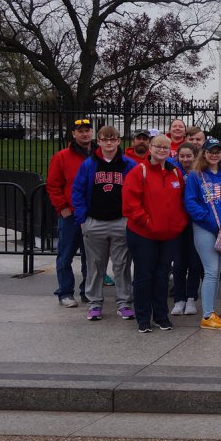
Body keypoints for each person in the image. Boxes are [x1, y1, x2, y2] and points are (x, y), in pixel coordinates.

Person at [123, 134, 189, 333]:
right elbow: (131, 204)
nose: (162, 150)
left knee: (162, 276)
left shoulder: (175, 173)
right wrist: (147, 221)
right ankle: (143, 317)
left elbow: (182, 203)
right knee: (144, 275)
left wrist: (179, 224)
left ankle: (161, 315)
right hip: (143, 234)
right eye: (158, 147)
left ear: (170, 151)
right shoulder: (138, 172)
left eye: (165, 148)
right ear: (150, 148)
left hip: (168, 235)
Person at [71, 125, 137, 321]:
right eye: (105, 139)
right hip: (95, 221)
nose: (109, 143)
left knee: (122, 265)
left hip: (120, 221)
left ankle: (124, 303)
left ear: (118, 141)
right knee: (95, 265)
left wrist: (130, 217)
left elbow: (135, 192)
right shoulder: (89, 164)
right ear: (98, 141)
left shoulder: (128, 164)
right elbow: (78, 191)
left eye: (113, 139)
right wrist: (82, 219)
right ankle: (94, 303)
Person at [184, 138, 221, 330]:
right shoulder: (196, 175)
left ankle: (211, 311)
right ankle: (207, 315)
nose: (214, 154)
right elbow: (191, 202)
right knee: (210, 270)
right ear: (204, 153)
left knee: (216, 270)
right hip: (204, 227)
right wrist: (208, 220)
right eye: (210, 151)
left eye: (217, 151)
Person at [47, 117, 94, 307]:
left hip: (93, 215)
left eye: (87, 130)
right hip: (71, 215)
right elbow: (53, 185)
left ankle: (87, 291)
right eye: (80, 131)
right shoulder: (62, 156)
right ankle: (65, 292)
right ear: (74, 134)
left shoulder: (99, 155)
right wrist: (63, 208)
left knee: (90, 257)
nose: (84, 133)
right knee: (65, 255)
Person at [169, 143, 201, 316]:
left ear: (195, 156)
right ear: (178, 157)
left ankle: (191, 298)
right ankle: (179, 299)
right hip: (178, 223)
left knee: (195, 263)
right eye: (182, 156)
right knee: (179, 262)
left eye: (189, 156)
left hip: (196, 223)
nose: (186, 159)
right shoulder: (172, 171)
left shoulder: (200, 172)